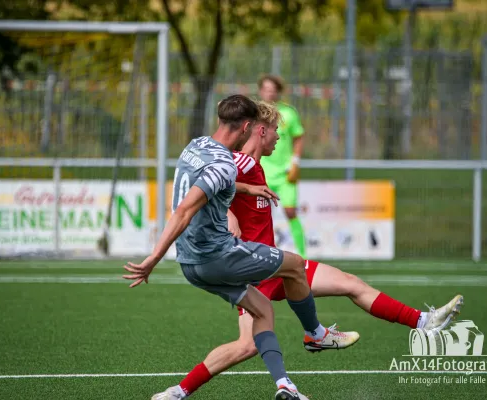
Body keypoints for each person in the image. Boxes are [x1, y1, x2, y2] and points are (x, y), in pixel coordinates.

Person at [152, 101, 464, 399]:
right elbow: (210, 188)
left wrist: (240, 196)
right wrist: (229, 215)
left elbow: (228, 186)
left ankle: (423, 322)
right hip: (250, 269)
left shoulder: (254, 167)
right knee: (247, 344)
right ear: (258, 130)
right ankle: (309, 340)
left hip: (271, 265)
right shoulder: (239, 163)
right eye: (276, 130)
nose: (279, 137)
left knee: (348, 283)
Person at [124, 94, 334, 400]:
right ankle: (315, 333)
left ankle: (283, 387)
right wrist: (153, 258)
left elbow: (210, 182)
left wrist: (248, 188)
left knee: (261, 312)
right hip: (216, 256)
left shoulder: (196, 146)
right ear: (247, 127)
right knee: (294, 264)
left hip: (190, 264)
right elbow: (184, 210)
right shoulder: (225, 164)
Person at [258, 74, 307, 258]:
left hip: (285, 173)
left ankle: (302, 254)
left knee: (290, 211)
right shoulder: (255, 113)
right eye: (266, 89)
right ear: (260, 91)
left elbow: (298, 137)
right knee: (260, 214)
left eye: (273, 89)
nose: (269, 93)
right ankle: (263, 252)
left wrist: (295, 162)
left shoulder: (288, 113)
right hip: (262, 172)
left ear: (278, 92)